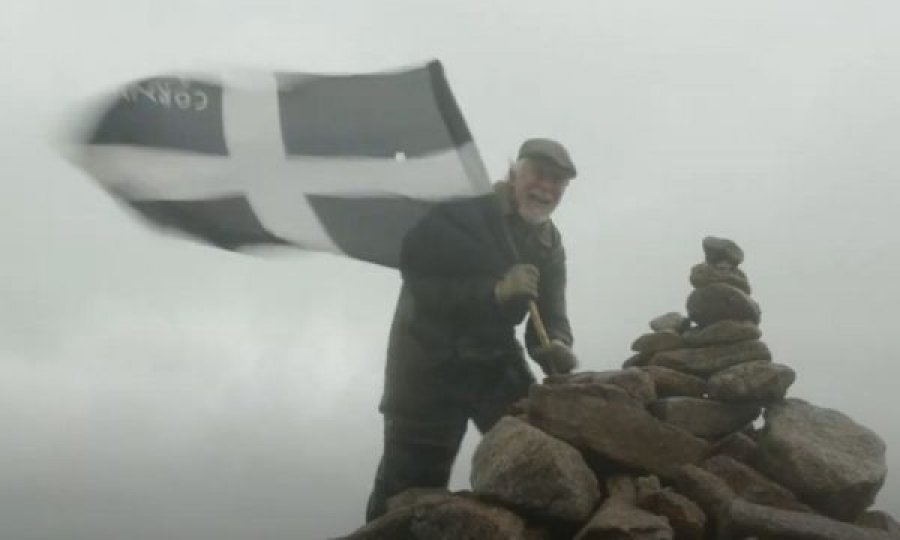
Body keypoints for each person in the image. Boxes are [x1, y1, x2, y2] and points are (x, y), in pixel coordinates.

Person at [365, 138, 578, 522]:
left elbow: (551, 313)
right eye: (538, 175)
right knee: (409, 491)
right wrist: (493, 293)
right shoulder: (463, 211)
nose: (546, 189)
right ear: (514, 172)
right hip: (425, 365)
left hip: (493, 363)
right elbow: (422, 285)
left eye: (558, 182)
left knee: (537, 453)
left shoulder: (549, 243)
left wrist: (556, 346)